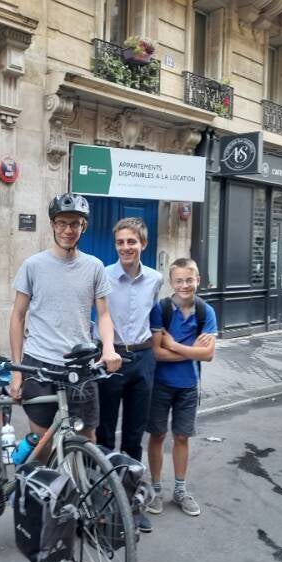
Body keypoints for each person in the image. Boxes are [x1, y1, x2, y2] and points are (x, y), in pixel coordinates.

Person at [9, 193, 121, 457]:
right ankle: (43, 483)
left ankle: (79, 482)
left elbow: (104, 315)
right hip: (39, 364)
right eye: (61, 223)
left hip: (80, 366)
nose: (68, 230)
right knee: (42, 442)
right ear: (52, 225)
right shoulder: (33, 265)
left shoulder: (94, 267)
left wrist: (108, 348)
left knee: (87, 438)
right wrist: (16, 370)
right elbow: (17, 316)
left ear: (84, 227)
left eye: (75, 224)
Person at [95, 217, 162, 533]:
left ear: (143, 244)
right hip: (110, 358)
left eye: (131, 241)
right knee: (105, 435)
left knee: (134, 437)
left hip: (143, 358)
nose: (125, 247)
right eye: (120, 242)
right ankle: (106, 503)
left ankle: (132, 503)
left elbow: (155, 316)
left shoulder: (156, 279)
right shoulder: (103, 275)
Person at [145, 258, 217, 518]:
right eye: (179, 281)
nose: (185, 285)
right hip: (160, 385)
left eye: (189, 280)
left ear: (198, 280)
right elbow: (156, 353)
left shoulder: (206, 312)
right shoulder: (160, 310)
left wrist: (174, 345)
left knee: (182, 437)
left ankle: (180, 490)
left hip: (189, 386)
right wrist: (192, 351)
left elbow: (208, 355)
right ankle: (155, 489)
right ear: (171, 282)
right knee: (156, 435)